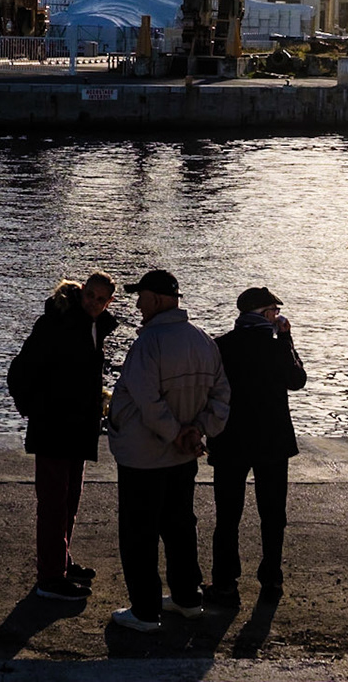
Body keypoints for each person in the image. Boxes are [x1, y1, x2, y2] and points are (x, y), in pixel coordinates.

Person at [105, 269, 231, 633]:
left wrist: (176, 434)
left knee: (139, 532)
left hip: (143, 457)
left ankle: (144, 612)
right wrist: (199, 432)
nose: (137, 303)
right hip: (182, 457)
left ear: (158, 300)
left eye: (141, 296)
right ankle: (187, 597)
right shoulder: (204, 342)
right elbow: (222, 397)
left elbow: (147, 400)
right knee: (179, 526)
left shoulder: (149, 343)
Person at [7, 271, 118, 601]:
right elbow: (20, 372)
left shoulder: (92, 326)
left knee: (68, 501)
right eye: (91, 296)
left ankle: (60, 563)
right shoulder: (56, 324)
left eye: (101, 300)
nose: (95, 304)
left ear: (109, 301)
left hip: (77, 426)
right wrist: (38, 410)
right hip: (56, 426)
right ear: (82, 291)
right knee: (55, 503)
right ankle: (50, 576)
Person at [204, 286, 306, 606]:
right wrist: (288, 339)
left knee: (228, 514)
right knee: (273, 513)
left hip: (229, 439)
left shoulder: (219, 346)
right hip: (272, 441)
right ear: (264, 314)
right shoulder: (276, 347)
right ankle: (271, 577)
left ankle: (224, 580)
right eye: (274, 312)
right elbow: (297, 380)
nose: (277, 317)